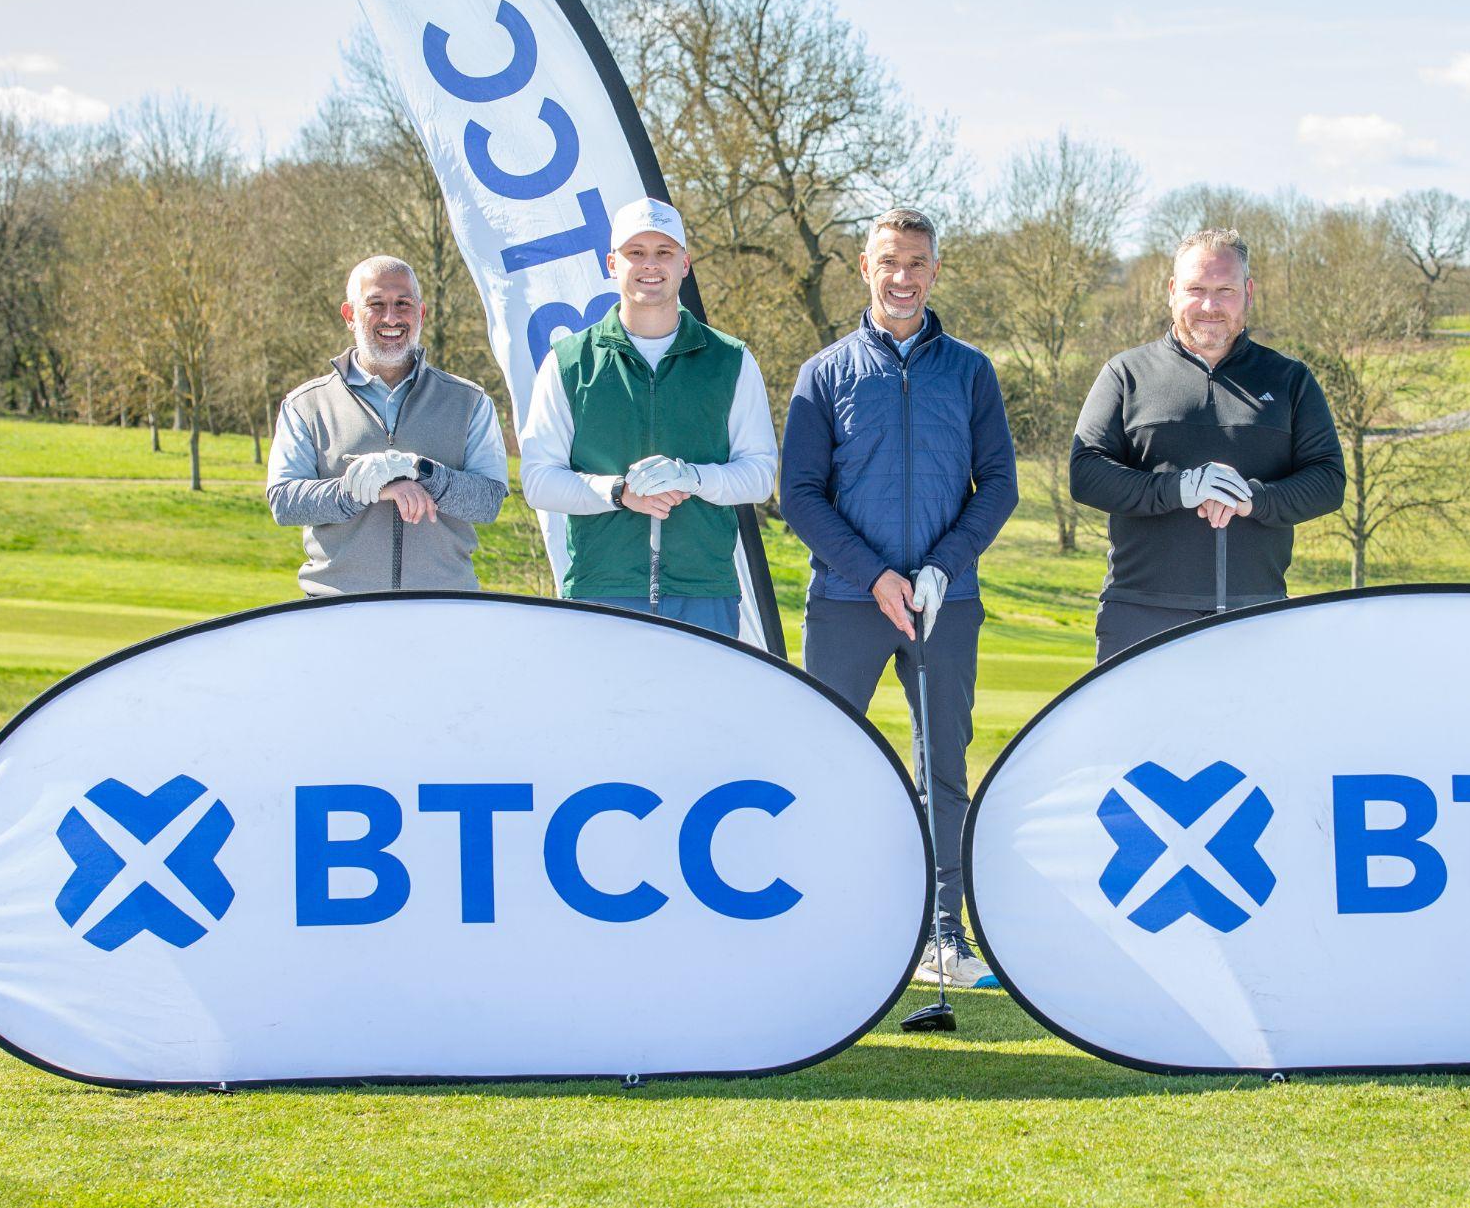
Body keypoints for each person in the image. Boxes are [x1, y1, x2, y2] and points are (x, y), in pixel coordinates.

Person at [780, 207, 1018, 990]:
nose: (903, 277)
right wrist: (875, 575)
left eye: (917, 262)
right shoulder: (824, 373)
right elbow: (801, 497)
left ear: (936, 270)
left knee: (942, 771)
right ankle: (827, 925)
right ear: (865, 267)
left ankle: (945, 935)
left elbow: (1000, 486)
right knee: (831, 764)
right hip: (847, 603)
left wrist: (943, 567)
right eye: (890, 262)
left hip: (946, 602)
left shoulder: (971, 371)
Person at [1070, 228, 1346, 662]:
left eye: (1225, 290)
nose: (1209, 306)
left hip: (1255, 616)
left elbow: (1328, 480)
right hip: (1140, 616)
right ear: (1172, 291)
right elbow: (1086, 472)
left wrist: (1250, 498)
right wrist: (1179, 489)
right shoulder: (1126, 373)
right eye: (1196, 289)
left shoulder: (1290, 380)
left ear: (1248, 293)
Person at [519, 197, 777, 637]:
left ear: (685, 263)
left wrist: (692, 477)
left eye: (664, 252)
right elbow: (538, 480)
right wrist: (619, 492)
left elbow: (759, 475)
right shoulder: (568, 361)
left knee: (700, 709)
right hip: (602, 586)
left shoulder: (730, 359)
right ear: (611, 263)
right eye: (635, 253)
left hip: (703, 590)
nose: (650, 265)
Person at [267, 255, 509, 596]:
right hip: (336, 608)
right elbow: (285, 501)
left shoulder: (469, 401)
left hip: (445, 605)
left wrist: (419, 470)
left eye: (403, 304)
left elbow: (488, 502)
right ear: (350, 315)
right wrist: (367, 487)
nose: (391, 317)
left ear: (421, 313)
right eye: (376, 304)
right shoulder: (306, 404)